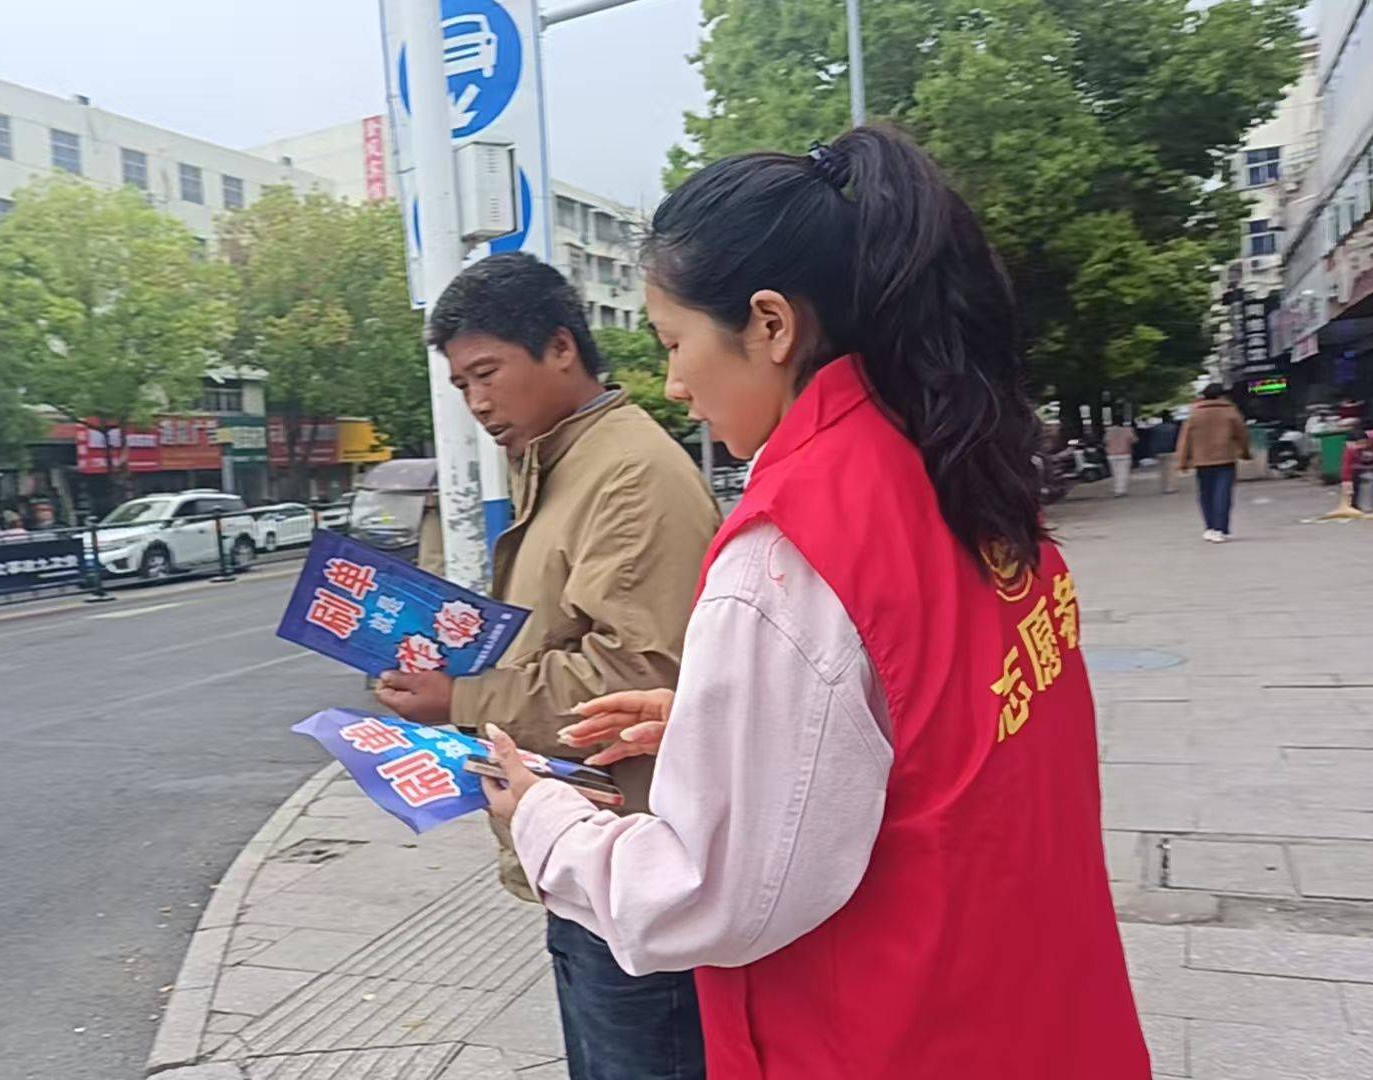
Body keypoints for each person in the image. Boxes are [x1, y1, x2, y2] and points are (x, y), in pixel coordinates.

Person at [476, 127, 1147, 1079]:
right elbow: (928, 716)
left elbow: (708, 897)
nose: (675, 385)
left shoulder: (788, 547)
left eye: (675, 343)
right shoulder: (945, 453)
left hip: (889, 1034)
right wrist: (726, 723)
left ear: (770, 325)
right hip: (1036, 1005)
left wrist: (544, 820)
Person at [375, 252, 720, 1080]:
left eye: (487, 373)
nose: (477, 403)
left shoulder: (628, 475)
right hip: (582, 855)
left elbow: (633, 674)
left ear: (561, 347)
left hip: (631, 864)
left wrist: (462, 698)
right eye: (461, 385)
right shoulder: (560, 464)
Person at [1176, 383, 1251, 542]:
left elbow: (1185, 438)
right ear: (1222, 395)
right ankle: (1221, 529)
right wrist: (1245, 452)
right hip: (1226, 459)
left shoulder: (1195, 413)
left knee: (1206, 494)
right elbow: (1242, 434)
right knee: (1223, 494)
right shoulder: (1230, 411)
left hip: (1202, 461)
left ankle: (1210, 527)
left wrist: (1183, 461)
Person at [1152, 410, 1182, 492]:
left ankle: (1164, 487)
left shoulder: (1156, 428)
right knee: (1171, 470)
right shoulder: (1174, 427)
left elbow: (1153, 439)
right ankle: (1171, 487)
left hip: (1159, 450)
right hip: (1171, 450)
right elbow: (1177, 439)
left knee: (1162, 470)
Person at [1105, 422, 1137, 496]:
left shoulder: (1109, 431)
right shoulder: (1127, 430)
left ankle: (1117, 489)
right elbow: (1134, 440)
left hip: (1112, 454)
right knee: (1123, 472)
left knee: (1115, 473)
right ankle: (1121, 490)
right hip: (1124, 454)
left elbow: (1106, 441)